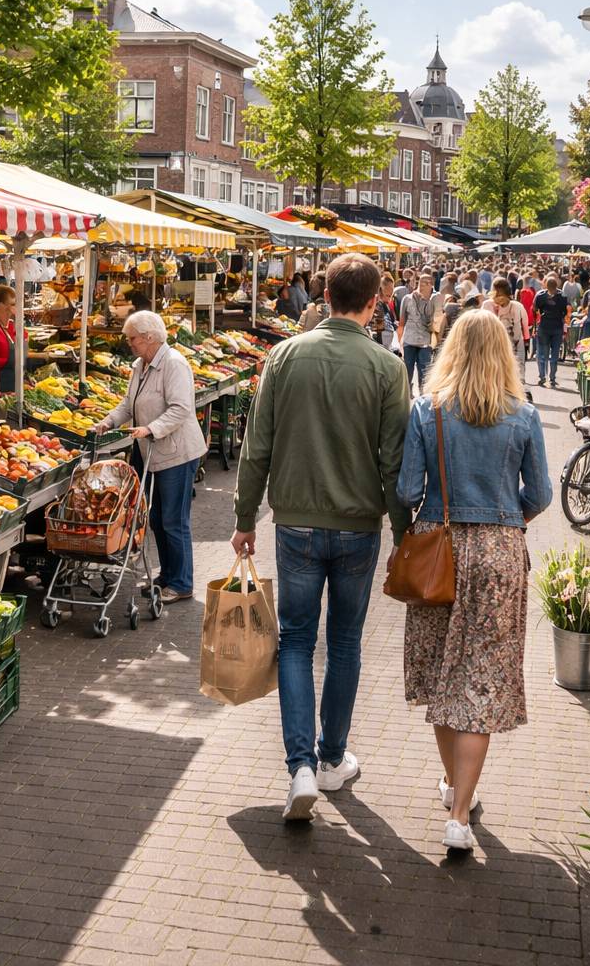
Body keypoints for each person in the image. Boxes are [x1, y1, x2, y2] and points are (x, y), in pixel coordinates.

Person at [231, 253, 410, 822]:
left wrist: (242, 518)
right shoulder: (387, 368)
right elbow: (395, 463)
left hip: (296, 524)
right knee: (346, 643)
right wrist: (402, 533)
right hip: (359, 527)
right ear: (375, 301)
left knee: (295, 642)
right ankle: (332, 758)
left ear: (323, 296)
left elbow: (256, 448)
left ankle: (300, 766)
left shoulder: (283, 357)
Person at [396, 310, 549, 852]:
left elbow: (407, 486)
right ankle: (459, 811)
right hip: (500, 552)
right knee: (480, 676)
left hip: (442, 549)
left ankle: (452, 787)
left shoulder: (427, 410)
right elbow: (542, 496)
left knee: (442, 673)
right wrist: (507, 519)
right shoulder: (524, 416)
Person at [92, 311, 207, 603]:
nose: (129, 343)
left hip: (176, 453)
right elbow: (128, 403)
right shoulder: (140, 365)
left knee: (173, 519)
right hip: (149, 451)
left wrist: (151, 428)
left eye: (133, 339)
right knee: (155, 517)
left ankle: (182, 582)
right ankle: (168, 575)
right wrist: (108, 421)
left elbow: (181, 408)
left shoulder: (174, 364)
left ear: (149, 337)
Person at [397, 274, 439, 392]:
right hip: (409, 341)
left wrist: (426, 301)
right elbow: (401, 322)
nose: (422, 285)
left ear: (431, 285)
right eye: (420, 282)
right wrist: (401, 342)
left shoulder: (434, 301)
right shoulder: (407, 298)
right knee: (407, 371)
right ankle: (406, 395)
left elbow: (435, 323)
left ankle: (423, 396)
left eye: (426, 283)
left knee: (424, 373)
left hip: (425, 342)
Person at [532, 275, 570, 388]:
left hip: (544, 326)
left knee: (542, 353)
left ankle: (542, 377)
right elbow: (567, 309)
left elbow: (534, 309)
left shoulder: (540, 295)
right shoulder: (562, 295)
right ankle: (552, 378)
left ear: (546, 285)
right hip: (557, 326)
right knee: (554, 354)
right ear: (556, 285)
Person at [488, 281, 528, 378]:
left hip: (504, 342)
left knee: (503, 366)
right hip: (514, 341)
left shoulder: (489, 305)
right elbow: (525, 322)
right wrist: (527, 338)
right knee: (519, 364)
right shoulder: (517, 306)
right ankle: (518, 383)